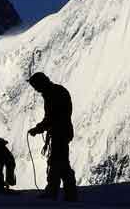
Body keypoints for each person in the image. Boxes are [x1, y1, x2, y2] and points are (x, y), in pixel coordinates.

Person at [27, 72, 78, 201]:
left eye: (36, 86)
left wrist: (38, 129)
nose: (36, 89)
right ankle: (63, 192)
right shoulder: (55, 91)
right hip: (61, 132)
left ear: (41, 83)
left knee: (59, 163)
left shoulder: (53, 94)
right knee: (58, 162)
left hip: (59, 133)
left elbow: (52, 117)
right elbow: (54, 117)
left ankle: (59, 192)